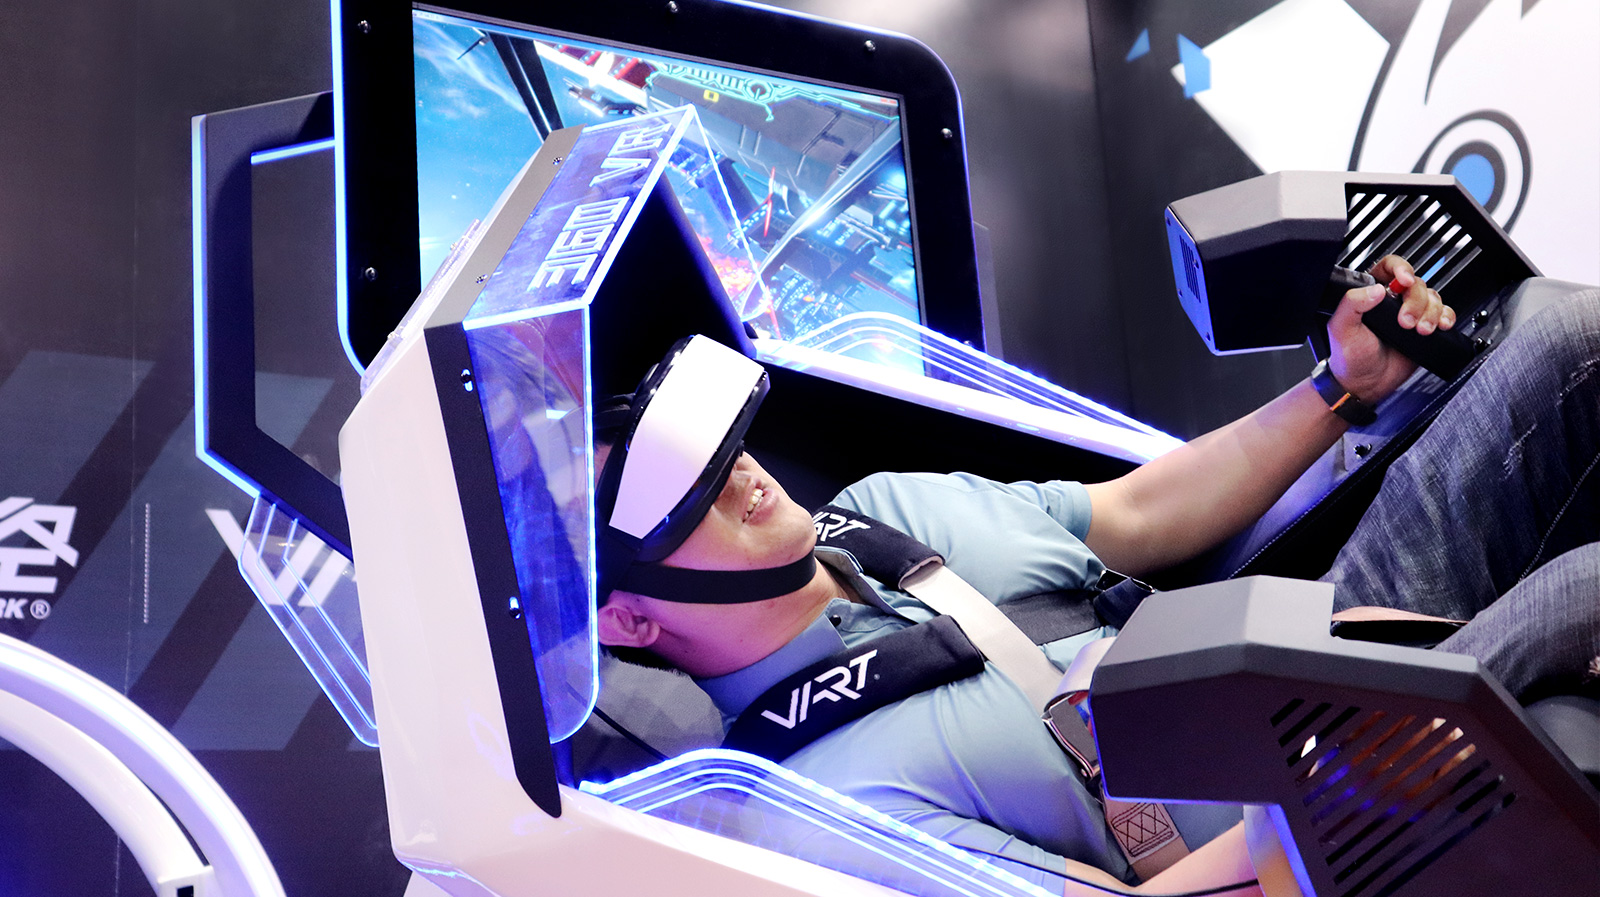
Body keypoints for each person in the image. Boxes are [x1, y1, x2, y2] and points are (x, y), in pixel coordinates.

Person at [591, 256, 1600, 894]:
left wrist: (1339, 388)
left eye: (725, 450)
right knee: (1584, 592)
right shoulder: (815, 806)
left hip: (1310, 638)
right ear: (629, 621)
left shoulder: (887, 507)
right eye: (691, 500)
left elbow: (1140, 513)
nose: (741, 476)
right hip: (1323, 817)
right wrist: (1334, 786)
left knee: (1567, 338)